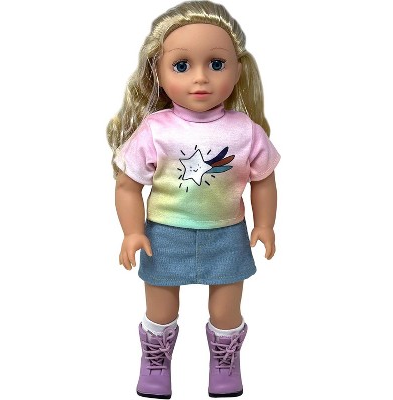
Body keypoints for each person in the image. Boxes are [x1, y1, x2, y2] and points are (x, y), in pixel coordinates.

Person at [106, 1, 281, 398]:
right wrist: (132, 232)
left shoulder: (246, 130)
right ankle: (155, 361)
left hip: (227, 234)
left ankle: (225, 362)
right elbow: (127, 185)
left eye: (216, 64)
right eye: (182, 65)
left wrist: (265, 224)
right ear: (158, 72)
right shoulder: (155, 129)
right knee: (161, 308)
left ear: (238, 70)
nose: (200, 78)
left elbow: (264, 179)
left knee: (226, 310)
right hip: (165, 234)